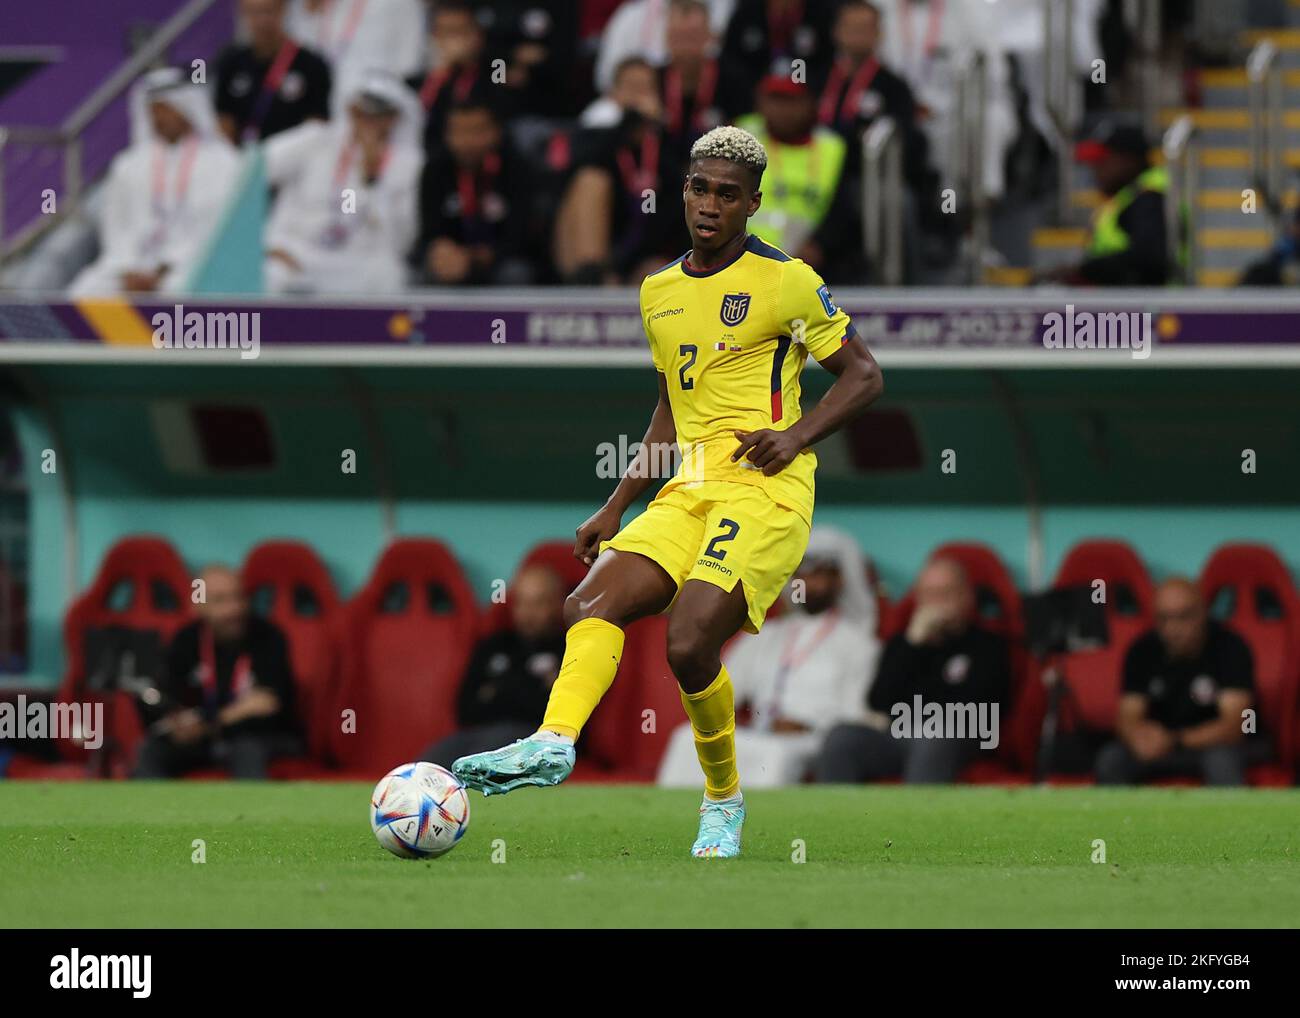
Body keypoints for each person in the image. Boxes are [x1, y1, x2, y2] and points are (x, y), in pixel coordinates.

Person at [453, 124, 884, 859]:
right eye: (698, 188)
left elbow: (865, 375)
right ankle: (554, 742)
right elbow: (668, 410)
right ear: (682, 191)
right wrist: (616, 504)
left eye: (727, 194)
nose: (709, 204)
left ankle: (723, 802)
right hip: (686, 488)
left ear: (752, 204)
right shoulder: (657, 291)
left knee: (688, 643)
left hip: (765, 490)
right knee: (586, 601)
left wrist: (796, 436)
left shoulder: (788, 280)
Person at [656, 526, 881, 787]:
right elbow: (726, 686)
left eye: (820, 574)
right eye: (802, 574)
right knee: (686, 738)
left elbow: (852, 716)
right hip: (760, 732)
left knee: (775, 755)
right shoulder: (767, 633)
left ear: (840, 581)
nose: (809, 582)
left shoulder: (858, 643)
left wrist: (805, 725)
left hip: (813, 740)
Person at [816, 557, 1011, 784]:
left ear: (966, 596)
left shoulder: (988, 645)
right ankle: (838, 818)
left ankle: (915, 819)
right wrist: (912, 645)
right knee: (841, 737)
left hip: (958, 736)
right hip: (899, 734)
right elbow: (878, 700)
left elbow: (977, 708)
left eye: (946, 593)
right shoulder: (903, 642)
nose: (937, 603)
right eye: (929, 595)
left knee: (933, 735)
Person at [69, 69, 242, 297]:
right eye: (153, 110)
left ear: (186, 108)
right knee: (85, 290)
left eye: (165, 109)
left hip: (194, 264)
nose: (159, 118)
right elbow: (116, 228)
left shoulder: (225, 162)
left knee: (180, 290)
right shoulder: (129, 164)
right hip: (131, 266)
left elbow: (219, 228)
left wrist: (166, 268)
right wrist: (128, 268)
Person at [262, 72, 423, 295]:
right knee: (272, 273)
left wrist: (373, 178)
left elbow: (401, 241)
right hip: (300, 251)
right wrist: (270, 245)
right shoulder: (315, 140)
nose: (368, 122)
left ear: (394, 118)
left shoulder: (409, 165)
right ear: (350, 111)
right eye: (361, 113)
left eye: (378, 116)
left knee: (389, 276)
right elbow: (255, 169)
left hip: (357, 259)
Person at [133, 565, 300, 779]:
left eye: (238, 597)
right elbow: (167, 693)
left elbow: (267, 703)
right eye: (220, 600)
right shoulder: (187, 639)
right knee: (151, 750)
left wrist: (209, 723)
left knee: (247, 749)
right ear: (198, 605)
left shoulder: (269, 637)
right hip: (200, 738)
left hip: (256, 736)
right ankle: (150, 812)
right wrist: (176, 722)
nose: (234, 609)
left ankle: (256, 813)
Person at [1095, 578, 1255, 786]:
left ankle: (1232, 819)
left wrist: (1175, 739)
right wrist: (1138, 739)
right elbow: (1127, 716)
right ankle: (1120, 819)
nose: (1173, 628)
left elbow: (1237, 725)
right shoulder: (1141, 649)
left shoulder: (1231, 647)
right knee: (1112, 758)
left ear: (1203, 612)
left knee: (1221, 761)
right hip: (1157, 747)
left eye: (1184, 617)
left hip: (1211, 745)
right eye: (1164, 619)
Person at [420, 567, 567, 767]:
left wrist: (496, 691)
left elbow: (553, 713)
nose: (528, 613)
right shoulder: (494, 645)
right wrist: (527, 689)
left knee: (482, 758)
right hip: (478, 733)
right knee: (429, 761)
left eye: (538, 603)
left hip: (535, 741)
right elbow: (465, 709)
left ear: (557, 604)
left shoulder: (568, 648)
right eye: (521, 603)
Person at [734, 76, 858, 280]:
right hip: (743, 260)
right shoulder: (739, 136)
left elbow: (843, 211)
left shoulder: (832, 147)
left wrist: (820, 246)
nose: (782, 109)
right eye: (775, 99)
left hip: (813, 267)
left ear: (810, 104)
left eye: (790, 100)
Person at [415, 99, 536, 286]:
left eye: (477, 131)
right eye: (459, 131)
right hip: (452, 261)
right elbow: (429, 232)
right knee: (427, 269)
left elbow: (523, 235)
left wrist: (480, 256)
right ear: (447, 134)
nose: (467, 141)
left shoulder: (516, 168)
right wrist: (440, 249)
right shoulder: (435, 170)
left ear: (496, 132)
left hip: (499, 259)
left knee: (516, 273)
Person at [1040, 120, 1172, 286]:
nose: (1095, 169)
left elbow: (1149, 259)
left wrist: (1083, 271)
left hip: (1144, 308)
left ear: (1128, 160)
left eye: (1102, 160)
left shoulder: (1149, 199)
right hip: (1127, 307)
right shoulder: (1130, 197)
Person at [215, 0, 332, 145]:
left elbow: (316, 128)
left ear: (283, 10)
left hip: (293, 160)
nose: (261, 20)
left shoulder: (311, 65)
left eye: (268, 11)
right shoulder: (231, 62)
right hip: (242, 159)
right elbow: (224, 121)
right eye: (253, 12)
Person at [286, 0, 426, 113]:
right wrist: (309, 14)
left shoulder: (404, 5)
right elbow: (296, 56)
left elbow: (409, 68)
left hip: (374, 114)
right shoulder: (307, 6)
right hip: (319, 108)